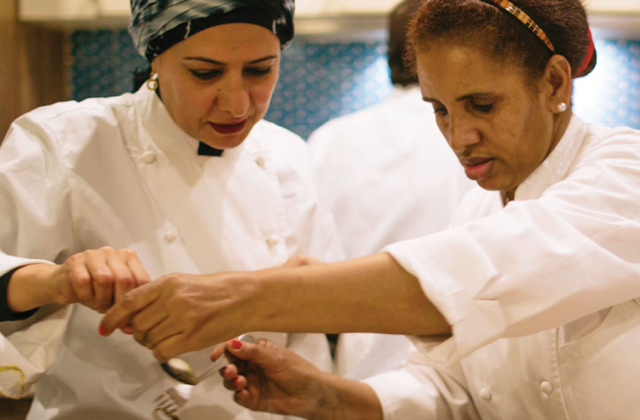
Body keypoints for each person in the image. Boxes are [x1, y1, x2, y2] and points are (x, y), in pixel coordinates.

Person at [101, 0, 640, 418]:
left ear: (554, 83)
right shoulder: (477, 210)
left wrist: (236, 298)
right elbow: (451, 393)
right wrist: (327, 397)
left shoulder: (625, 172)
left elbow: (492, 268)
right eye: (440, 110)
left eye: (482, 105)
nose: (460, 135)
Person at [0, 1, 344, 419]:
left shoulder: (289, 154)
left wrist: (311, 293)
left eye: (259, 70)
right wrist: (55, 282)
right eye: (205, 73)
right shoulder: (63, 141)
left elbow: (327, 329)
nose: (237, 104)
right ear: (154, 59)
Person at [307, 0, 474, 381]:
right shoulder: (492, 137)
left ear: (389, 57)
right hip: (475, 371)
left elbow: (313, 263)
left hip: (366, 374)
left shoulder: (332, 141)